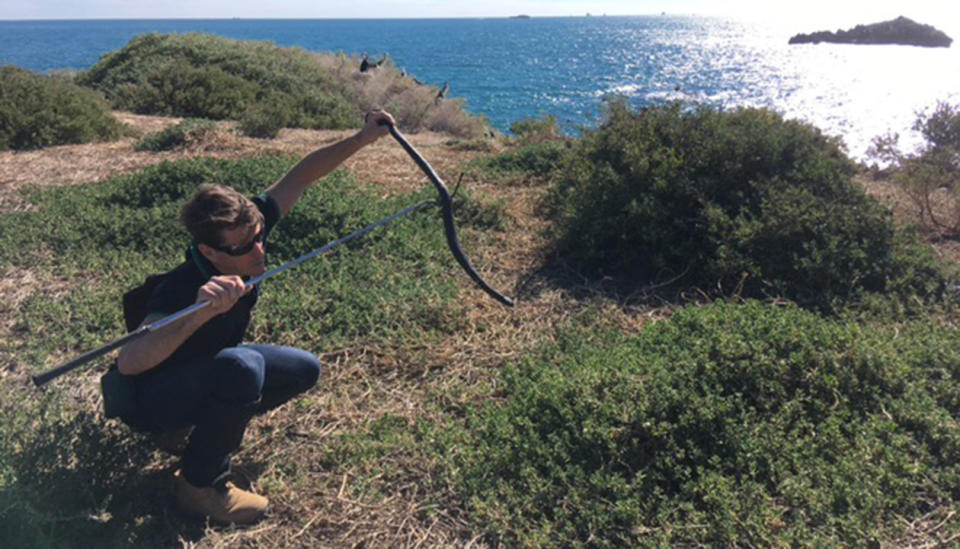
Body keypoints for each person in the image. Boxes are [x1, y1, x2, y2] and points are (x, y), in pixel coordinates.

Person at [115, 109, 396, 524]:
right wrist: (197, 314)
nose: (259, 252)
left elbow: (301, 176)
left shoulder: (247, 231)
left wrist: (362, 138)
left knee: (303, 369)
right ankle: (198, 485)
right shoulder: (179, 287)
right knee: (241, 367)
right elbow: (129, 361)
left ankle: (194, 431)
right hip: (149, 401)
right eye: (244, 248)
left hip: (196, 375)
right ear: (210, 252)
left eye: (260, 236)